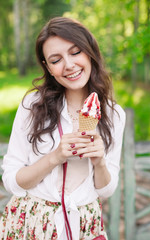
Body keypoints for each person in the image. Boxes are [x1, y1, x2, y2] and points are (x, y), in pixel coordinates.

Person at [0, 17, 125, 240]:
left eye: (76, 52)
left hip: (85, 224)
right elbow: (11, 180)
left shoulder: (114, 115)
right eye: (56, 59)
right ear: (48, 67)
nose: (69, 65)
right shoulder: (32, 106)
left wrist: (99, 162)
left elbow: (106, 190)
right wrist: (55, 156)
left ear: (90, 52)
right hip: (32, 222)